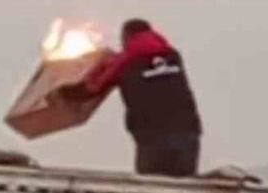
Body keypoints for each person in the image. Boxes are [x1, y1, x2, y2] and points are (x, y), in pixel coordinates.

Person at [55, 18, 203, 177]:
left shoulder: (125, 60)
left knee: (153, 190)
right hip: (188, 130)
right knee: (185, 189)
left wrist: (62, 91)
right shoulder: (173, 56)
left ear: (127, 37)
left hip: (153, 135)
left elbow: (92, 88)